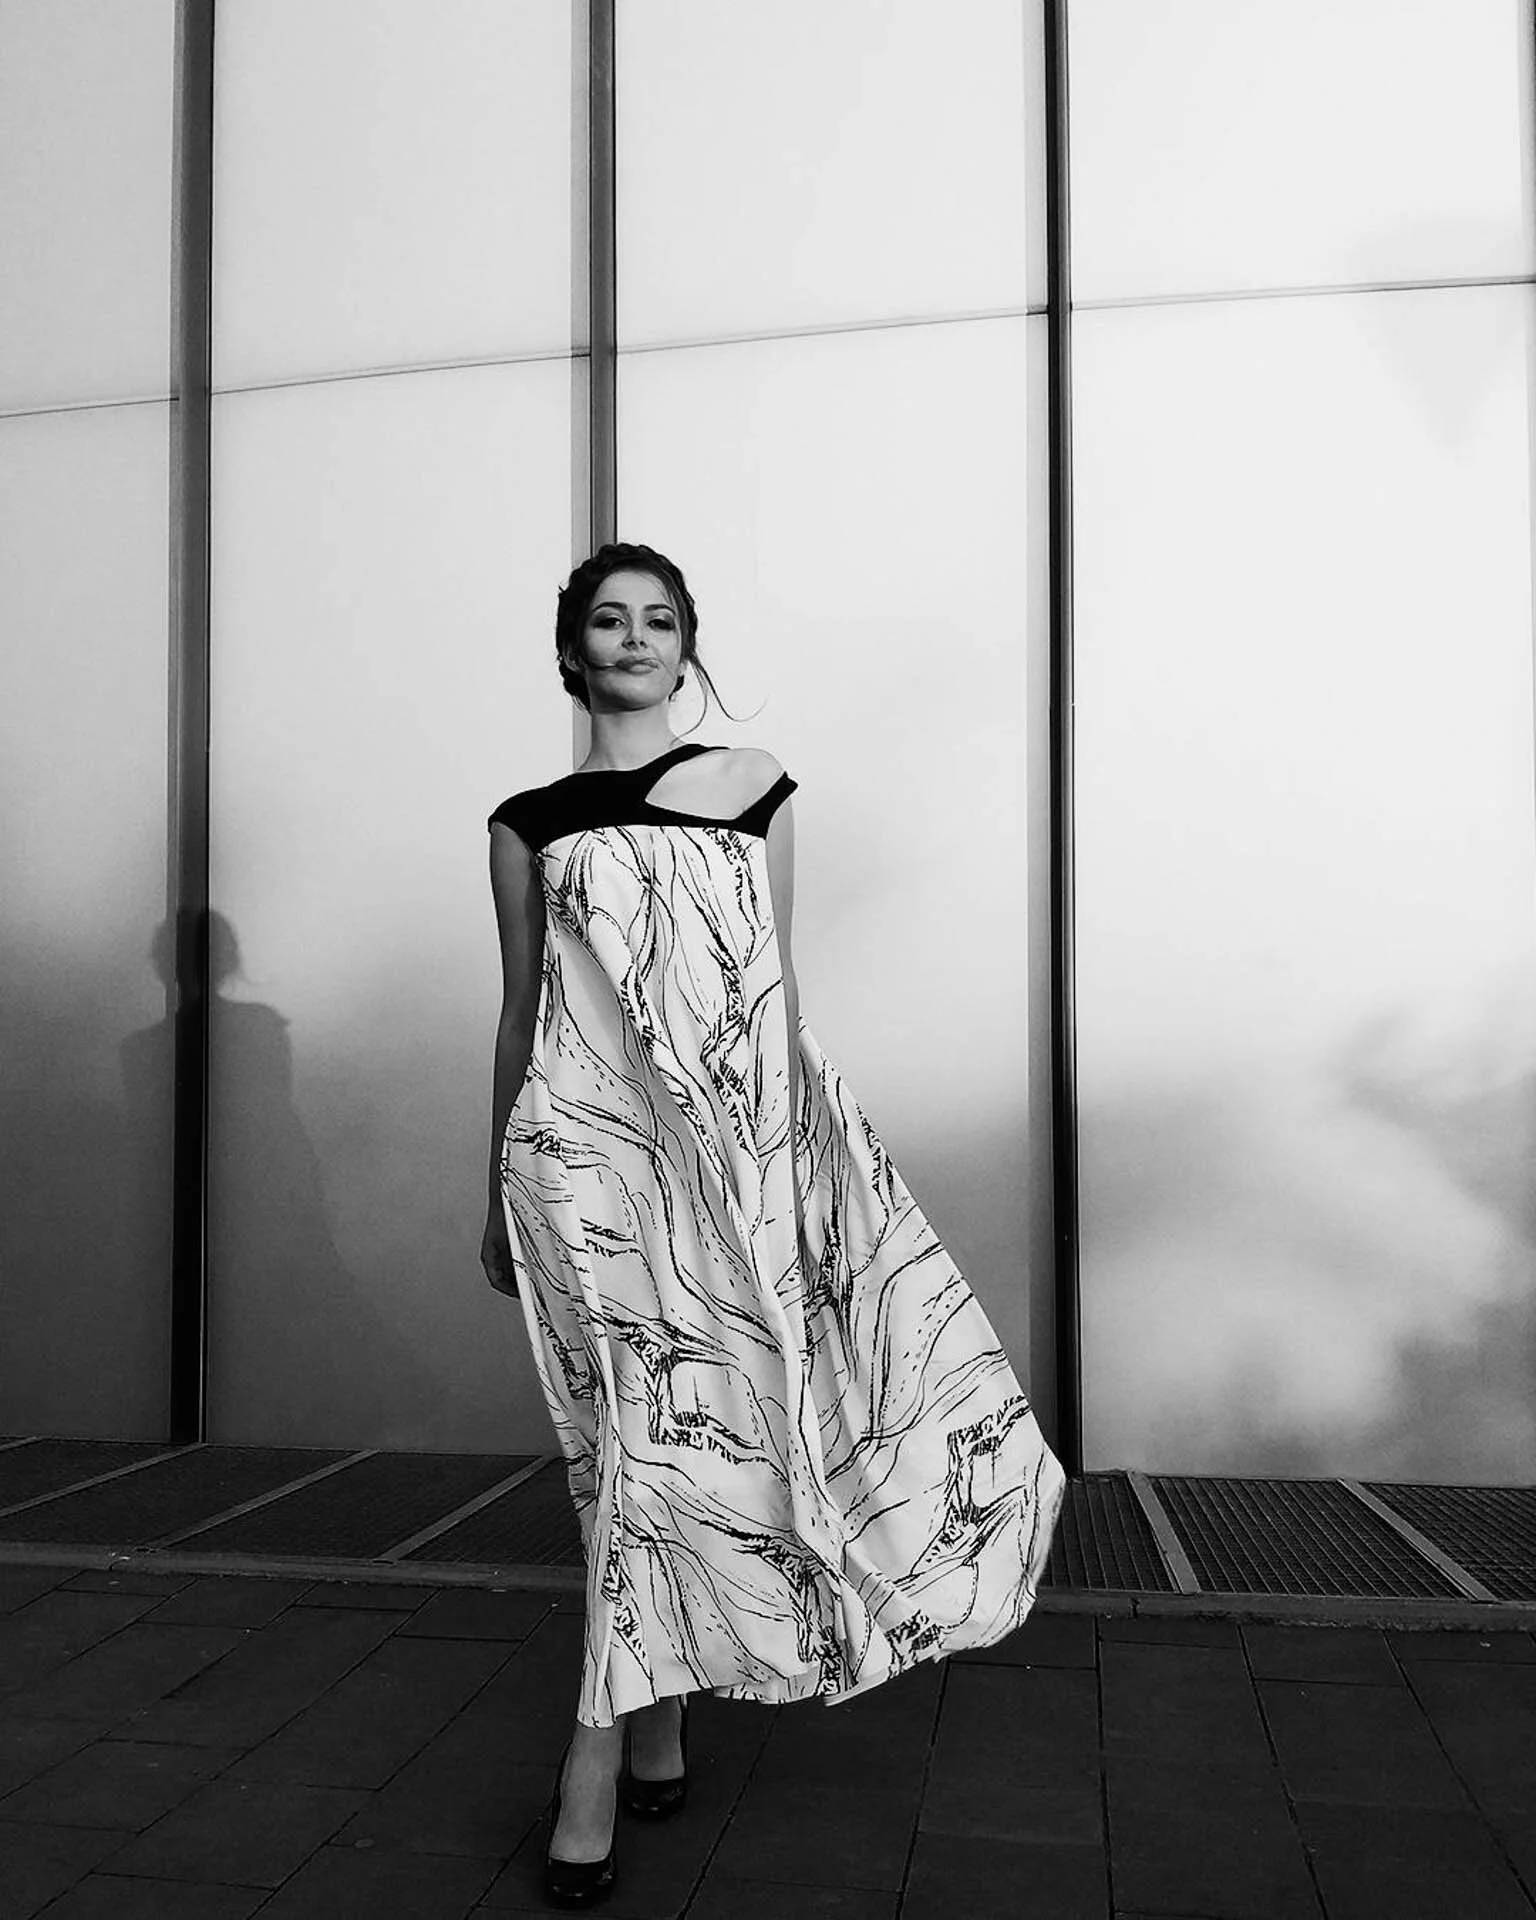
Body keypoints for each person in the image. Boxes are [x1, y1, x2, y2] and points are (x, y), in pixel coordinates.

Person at [482, 542, 1064, 1906]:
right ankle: (617, 1742)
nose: (635, 638)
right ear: (572, 651)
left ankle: (629, 1732)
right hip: (585, 1169)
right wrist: (488, 1189)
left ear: (687, 647)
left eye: (659, 619)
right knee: (627, 1451)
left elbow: (773, 999)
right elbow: (522, 1014)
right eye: (609, 620)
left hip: (733, 1169)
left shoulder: (753, 788)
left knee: (705, 1438)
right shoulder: (528, 822)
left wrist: (797, 1173)